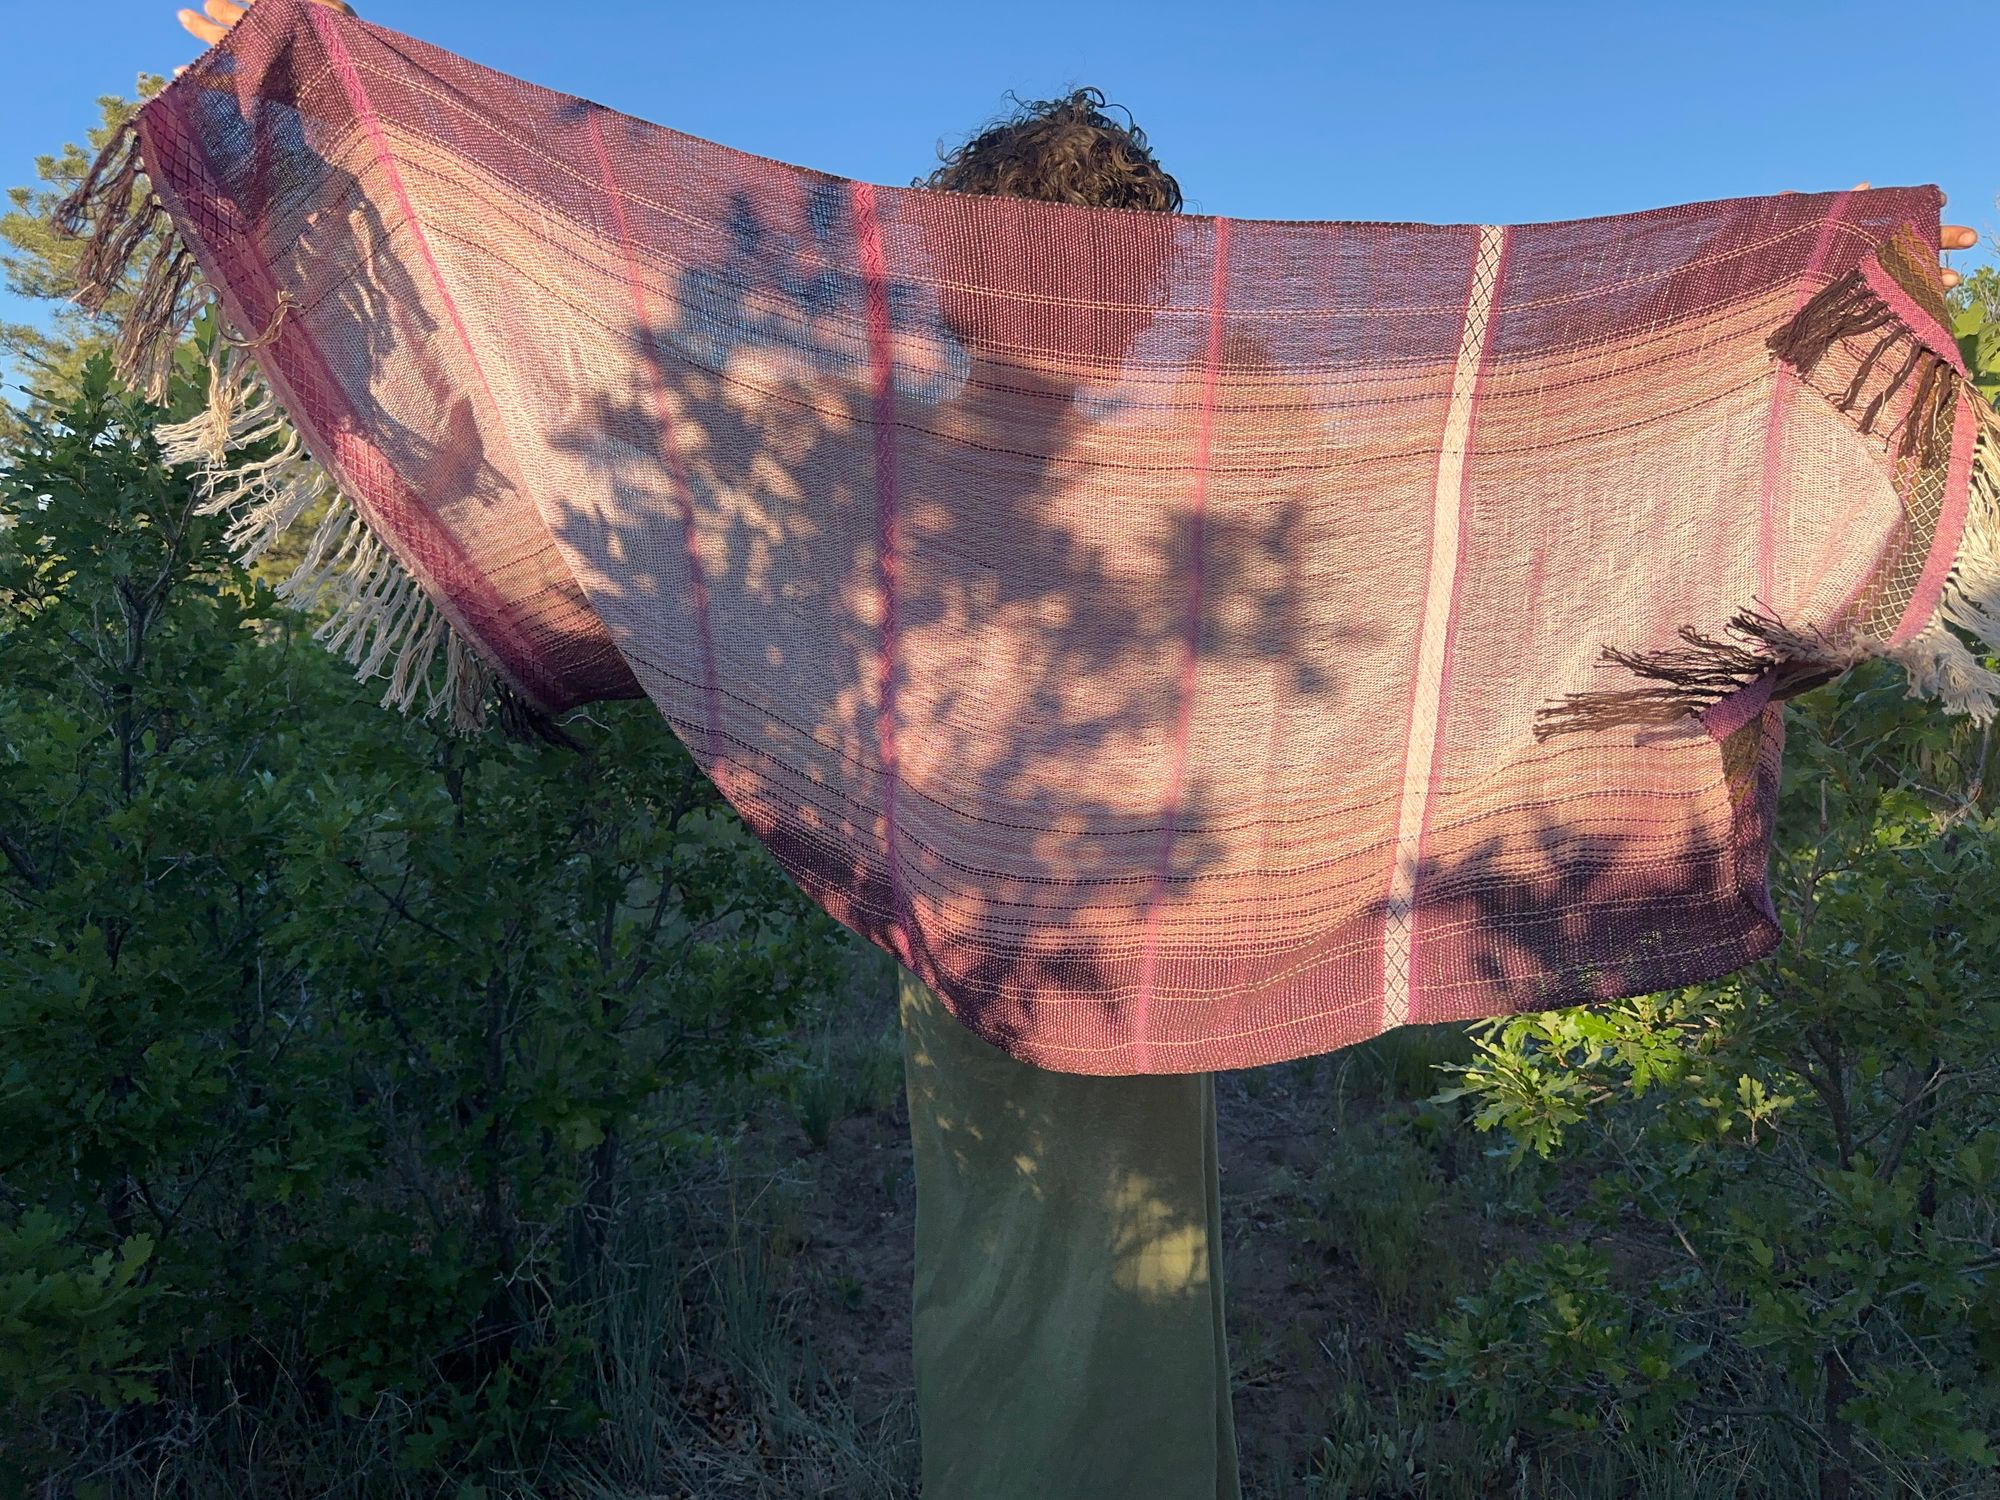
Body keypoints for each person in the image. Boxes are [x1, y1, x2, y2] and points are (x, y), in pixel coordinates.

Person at [167, 6, 1981, 1496]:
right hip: (1103, 918)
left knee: (1055, 1280)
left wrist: (1825, 297)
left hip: (1041, 922)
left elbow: (610, 416)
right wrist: (1830, 299)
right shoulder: (1168, 413)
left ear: (961, 260)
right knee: (1085, 1277)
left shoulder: (974, 424)